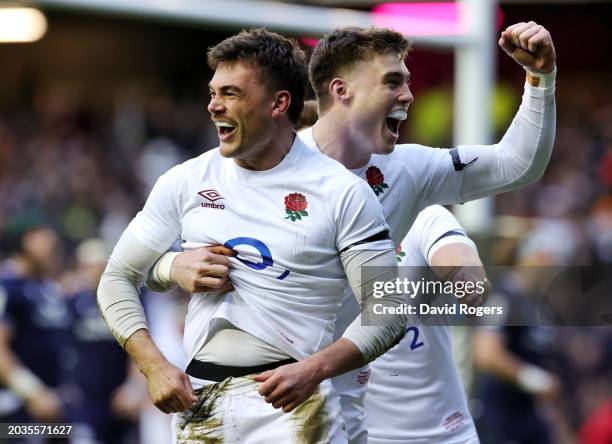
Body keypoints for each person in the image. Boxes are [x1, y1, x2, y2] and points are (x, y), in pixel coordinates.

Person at [152, 21, 557, 443]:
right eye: (392, 81)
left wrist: (540, 78)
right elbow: (145, 263)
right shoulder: (262, 165)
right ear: (341, 90)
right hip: (262, 407)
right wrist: (173, 265)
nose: (408, 95)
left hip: (344, 408)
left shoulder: (409, 170)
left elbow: (517, 164)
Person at [97, 28, 410, 443]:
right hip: (199, 405)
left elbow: (387, 311)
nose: (213, 106)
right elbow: (116, 278)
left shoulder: (341, 191)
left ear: (279, 102)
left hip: (294, 409)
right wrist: (153, 364)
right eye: (212, 93)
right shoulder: (187, 180)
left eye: (230, 93)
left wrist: (315, 369)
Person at [0, 224, 70, 431]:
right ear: (26, 240)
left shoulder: (48, 288)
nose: (53, 247)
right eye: (45, 240)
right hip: (17, 406)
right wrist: (33, 392)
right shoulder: (7, 285)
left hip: (54, 404)